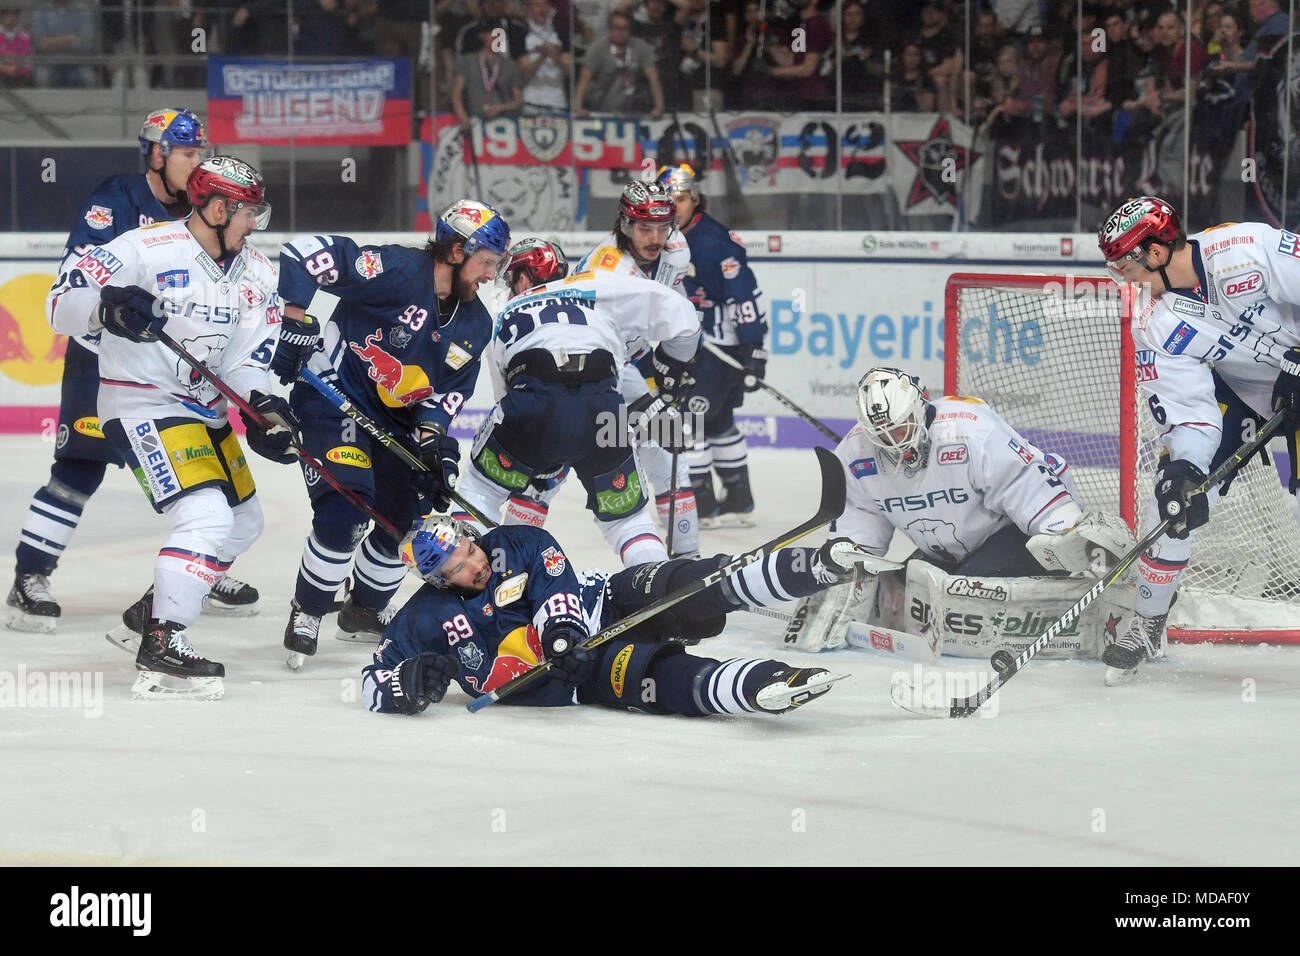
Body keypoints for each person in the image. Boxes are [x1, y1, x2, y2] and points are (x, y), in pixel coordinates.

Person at [6, 109, 266, 632]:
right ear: (156, 153)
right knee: (80, 468)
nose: (197, 161)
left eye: (201, 153)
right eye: (187, 153)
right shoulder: (117, 198)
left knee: (219, 493)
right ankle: (29, 575)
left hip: (176, 372)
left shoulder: (212, 216)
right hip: (106, 358)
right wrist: (110, 308)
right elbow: (76, 278)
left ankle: (198, 570)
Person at [46, 156, 285, 700]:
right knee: (206, 515)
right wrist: (106, 313)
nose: (256, 223)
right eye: (249, 212)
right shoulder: (142, 248)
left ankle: (150, 610)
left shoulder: (258, 272)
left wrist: (264, 407)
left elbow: (245, 363)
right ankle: (163, 640)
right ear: (219, 207)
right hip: (142, 404)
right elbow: (60, 302)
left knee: (244, 523)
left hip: (205, 412)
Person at [270, 200, 509, 667]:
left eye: (496, 266)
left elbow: (445, 395)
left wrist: (433, 447)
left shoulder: (476, 323)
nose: (489, 275)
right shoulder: (396, 268)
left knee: (405, 522)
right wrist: (296, 321)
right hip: (333, 397)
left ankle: (363, 609)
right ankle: (309, 608)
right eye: (486, 263)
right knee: (346, 507)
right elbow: (304, 252)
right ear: (457, 250)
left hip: (394, 423)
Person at [360, 514, 881, 718]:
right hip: (573, 677)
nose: (476, 564)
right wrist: (406, 684)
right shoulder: (424, 618)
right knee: (658, 678)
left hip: (600, 604)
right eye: (459, 566)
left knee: (682, 583)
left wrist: (562, 634)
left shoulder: (516, 541)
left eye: (471, 549)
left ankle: (813, 567)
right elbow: (370, 682)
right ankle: (760, 687)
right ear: (437, 580)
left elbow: (555, 589)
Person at [789, 367, 1134, 656]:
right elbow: (859, 522)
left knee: (958, 593)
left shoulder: (969, 428)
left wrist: (1065, 534)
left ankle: (1091, 587)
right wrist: (844, 570)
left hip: (1009, 533)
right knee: (909, 586)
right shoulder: (855, 454)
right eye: (882, 433)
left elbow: (1022, 480)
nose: (894, 442)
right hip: (948, 550)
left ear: (918, 406)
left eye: (900, 427)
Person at [1097, 196, 1300, 682]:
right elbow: (1189, 412)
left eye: (1126, 263)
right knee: (1172, 499)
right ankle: (1148, 622)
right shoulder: (1153, 322)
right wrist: (1185, 468)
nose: (1123, 276)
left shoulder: (1246, 249)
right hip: (1249, 390)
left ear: (1157, 252)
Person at [455, 237, 697, 567]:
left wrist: (537, 456)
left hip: (532, 407)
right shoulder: (596, 286)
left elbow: (506, 395)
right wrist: (672, 368)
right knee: (628, 521)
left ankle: (463, 584)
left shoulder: (505, 312)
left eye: (512, 278)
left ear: (523, 278)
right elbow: (681, 312)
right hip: (605, 409)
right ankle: (653, 586)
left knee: (477, 493)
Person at [656, 162, 767, 529]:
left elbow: (743, 297)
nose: (675, 205)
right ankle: (739, 498)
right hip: (700, 347)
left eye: (682, 198)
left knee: (690, 423)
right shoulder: (667, 236)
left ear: (696, 199)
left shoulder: (713, 243)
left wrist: (754, 351)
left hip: (717, 352)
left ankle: (701, 506)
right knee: (719, 422)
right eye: (668, 198)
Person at [575, 10, 665, 118]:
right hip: (599, 108)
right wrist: (578, 107)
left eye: (624, 28)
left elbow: (653, 77)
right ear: (610, 29)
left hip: (630, 108)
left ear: (630, 29)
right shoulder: (597, 48)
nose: (620, 32)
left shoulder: (641, 47)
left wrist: (659, 107)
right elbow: (584, 79)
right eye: (616, 28)